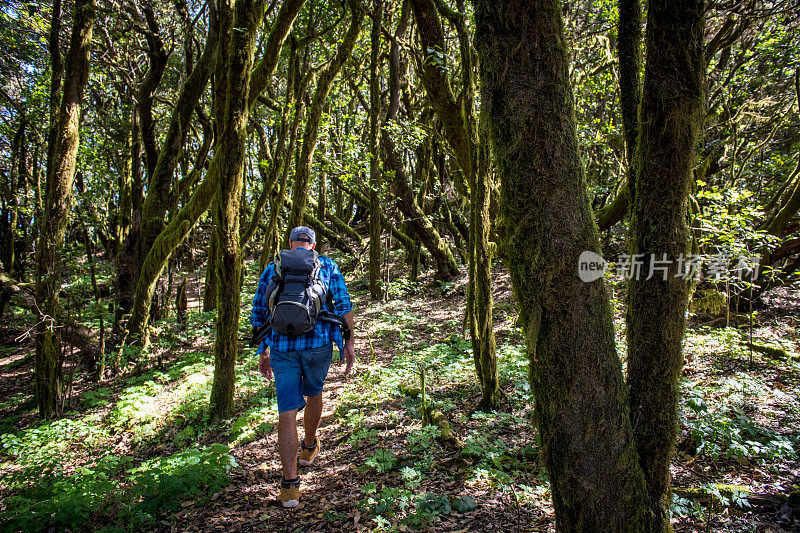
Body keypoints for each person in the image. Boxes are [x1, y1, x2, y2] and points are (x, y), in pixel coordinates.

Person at [250, 226, 356, 508]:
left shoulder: (273, 267)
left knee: (286, 411)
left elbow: (259, 310)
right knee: (314, 392)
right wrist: (349, 343)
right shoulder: (328, 265)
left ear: (290, 244)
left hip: (282, 347)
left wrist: (264, 351)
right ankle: (309, 446)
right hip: (318, 345)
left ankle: (289, 486)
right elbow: (343, 305)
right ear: (313, 244)